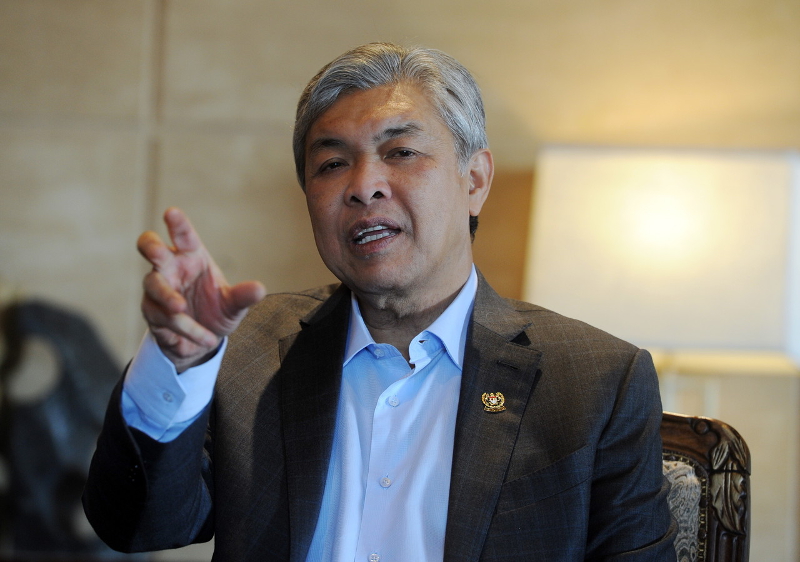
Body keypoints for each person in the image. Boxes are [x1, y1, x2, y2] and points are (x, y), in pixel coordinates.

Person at [83, 42, 676, 561]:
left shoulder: (595, 381)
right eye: (333, 163)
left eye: (401, 152)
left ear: (474, 181)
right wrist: (180, 366)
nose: (363, 185)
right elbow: (134, 526)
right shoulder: (246, 352)